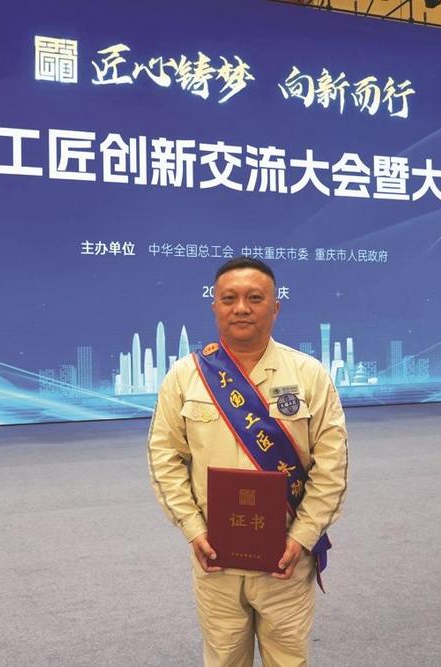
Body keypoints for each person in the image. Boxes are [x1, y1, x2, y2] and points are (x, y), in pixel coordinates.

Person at [147, 257, 348, 667]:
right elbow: (164, 458)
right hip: (215, 558)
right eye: (229, 298)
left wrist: (303, 537)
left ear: (275, 307)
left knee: (288, 660)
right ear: (215, 306)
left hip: (286, 558)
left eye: (255, 298)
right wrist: (193, 529)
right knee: (223, 659)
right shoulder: (185, 376)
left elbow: (332, 467)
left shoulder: (309, 375)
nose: (241, 308)